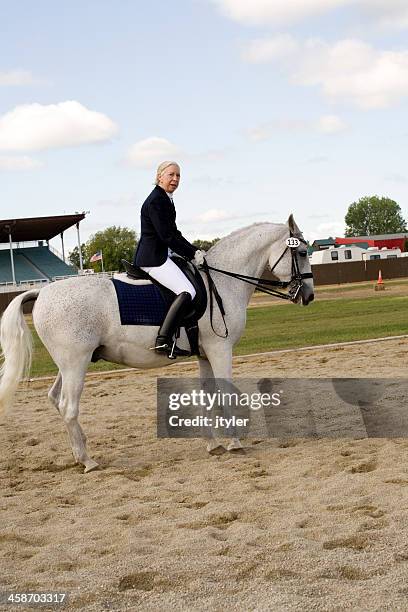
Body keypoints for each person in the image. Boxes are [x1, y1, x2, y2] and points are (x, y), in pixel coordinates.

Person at [133, 161, 206, 357]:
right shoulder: (157, 200)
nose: (175, 179)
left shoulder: (166, 198)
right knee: (187, 290)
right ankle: (163, 340)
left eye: (178, 176)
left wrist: (195, 250)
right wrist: (192, 254)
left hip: (163, 254)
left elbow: (174, 232)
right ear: (159, 177)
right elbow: (167, 236)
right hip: (153, 258)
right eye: (171, 175)